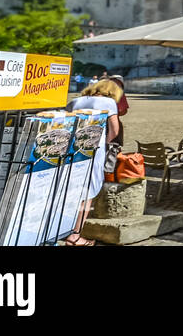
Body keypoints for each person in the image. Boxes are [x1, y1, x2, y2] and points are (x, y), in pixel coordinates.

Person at [62, 79, 123, 245]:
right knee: (87, 192)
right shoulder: (109, 102)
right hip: (93, 151)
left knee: (70, 190)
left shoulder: (74, 102)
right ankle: (75, 235)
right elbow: (114, 130)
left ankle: (62, 229)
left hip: (72, 151)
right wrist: (103, 143)